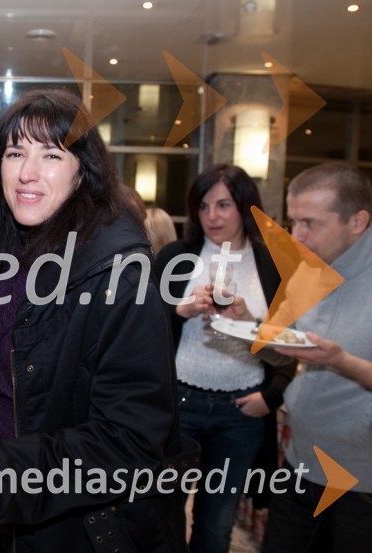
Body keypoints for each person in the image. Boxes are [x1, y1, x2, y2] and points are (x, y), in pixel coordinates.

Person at [0, 88, 191, 552]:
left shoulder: (120, 277)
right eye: (15, 153)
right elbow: (30, 373)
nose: (26, 172)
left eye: (51, 154)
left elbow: (129, 440)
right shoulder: (0, 253)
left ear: (83, 172)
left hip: (70, 525)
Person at [153, 164, 297, 553]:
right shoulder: (176, 257)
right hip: (180, 403)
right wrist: (179, 310)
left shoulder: (273, 264)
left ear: (246, 207)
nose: (212, 216)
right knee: (163, 516)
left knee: (216, 526)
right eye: (203, 206)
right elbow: (140, 325)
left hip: (241, 412)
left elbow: (292, 343)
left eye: (223, 205)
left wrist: (271, 394)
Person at [261, 163, 372, 553]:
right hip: (301, 461)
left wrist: (341, 361)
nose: (297, 236)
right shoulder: (308, 269)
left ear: (357, 222)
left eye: (310, 223)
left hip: (363, 481)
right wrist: (244, 323)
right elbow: (284, 345)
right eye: (293, 221)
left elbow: (333, 356)